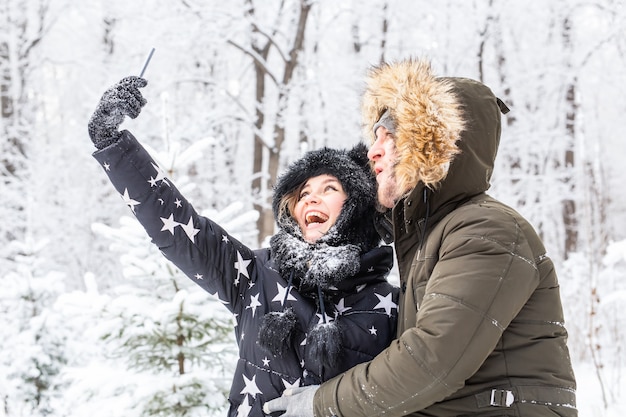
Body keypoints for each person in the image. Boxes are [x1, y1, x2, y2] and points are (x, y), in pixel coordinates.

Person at [264, 58, 578, 416]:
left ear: (433, 144)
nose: (373, 150)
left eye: (390, 134)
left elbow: (431, 360)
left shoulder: (486, 230)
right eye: (375, 136)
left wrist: (321, 404)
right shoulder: (432, 237)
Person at [87, 76, 399, 417]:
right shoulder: (254, 276)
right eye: (302, 193)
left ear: (356, 204)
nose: (311, 199)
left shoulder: (390, 304)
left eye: (328, 189)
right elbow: (179, 228)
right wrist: (111, 143)